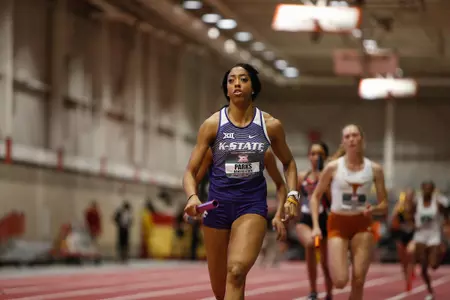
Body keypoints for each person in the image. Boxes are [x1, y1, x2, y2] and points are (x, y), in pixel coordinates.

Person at [183, 63, 298, 300]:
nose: (237, 83)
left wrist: (292, 196)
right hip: (216, 208)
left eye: (243, 79)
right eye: (231, 80)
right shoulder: (212, 125)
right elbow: (190, 172)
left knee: (236, 272)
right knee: (221, 290)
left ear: (253, 87)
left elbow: (288, 163)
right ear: (226, 90)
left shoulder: (270, 125)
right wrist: (192, 196)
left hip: (251, 207)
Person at [309, 124, 388, 300]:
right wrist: (315, 226)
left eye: (355, 135)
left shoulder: (374, 169)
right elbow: (315, 197)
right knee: (340, 281)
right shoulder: (333, 167)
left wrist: (374, 209)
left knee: (358, 280)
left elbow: (384, 204)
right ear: (343, 142)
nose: (351, 139)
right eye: (347, 136)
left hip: (362, 224)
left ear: (362, 139)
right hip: (337, 224)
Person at [296, 142, 333, 300]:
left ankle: (329, 293)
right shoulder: (302, 177)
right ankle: (312, 291)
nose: (315, 157)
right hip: (305, 220)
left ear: (325, 157)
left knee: (325, 262)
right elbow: (295, 198)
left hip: (324, 220)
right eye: (312, 153)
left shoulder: (329, 177)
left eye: (319, 154)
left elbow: (333, 202)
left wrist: (324, 183)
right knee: (311, 245)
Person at [411, 180, 449, 300]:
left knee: (433, 265)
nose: (427, 190)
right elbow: (409, 214)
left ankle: (441, 252)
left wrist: (446, 225)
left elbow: (446, 215)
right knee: (423, 267)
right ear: (422, 189)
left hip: (434, 235)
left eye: (430, 188)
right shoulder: (417, 201)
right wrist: (413, 224)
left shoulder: (437, 202)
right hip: (420, 235)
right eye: (425, 188)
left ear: (433, 190)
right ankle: (430, 290)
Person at [390, 188, 416, 291]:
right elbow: (393, 219)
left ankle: (411, 274)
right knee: (403, 260)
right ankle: (407, 279)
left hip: (412, 234)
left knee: (410, 254)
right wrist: (397, 210)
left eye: (411, 195)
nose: (409, 197)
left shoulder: (415, 207)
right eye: (408, 195)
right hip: (401, 234)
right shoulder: (399, 206)